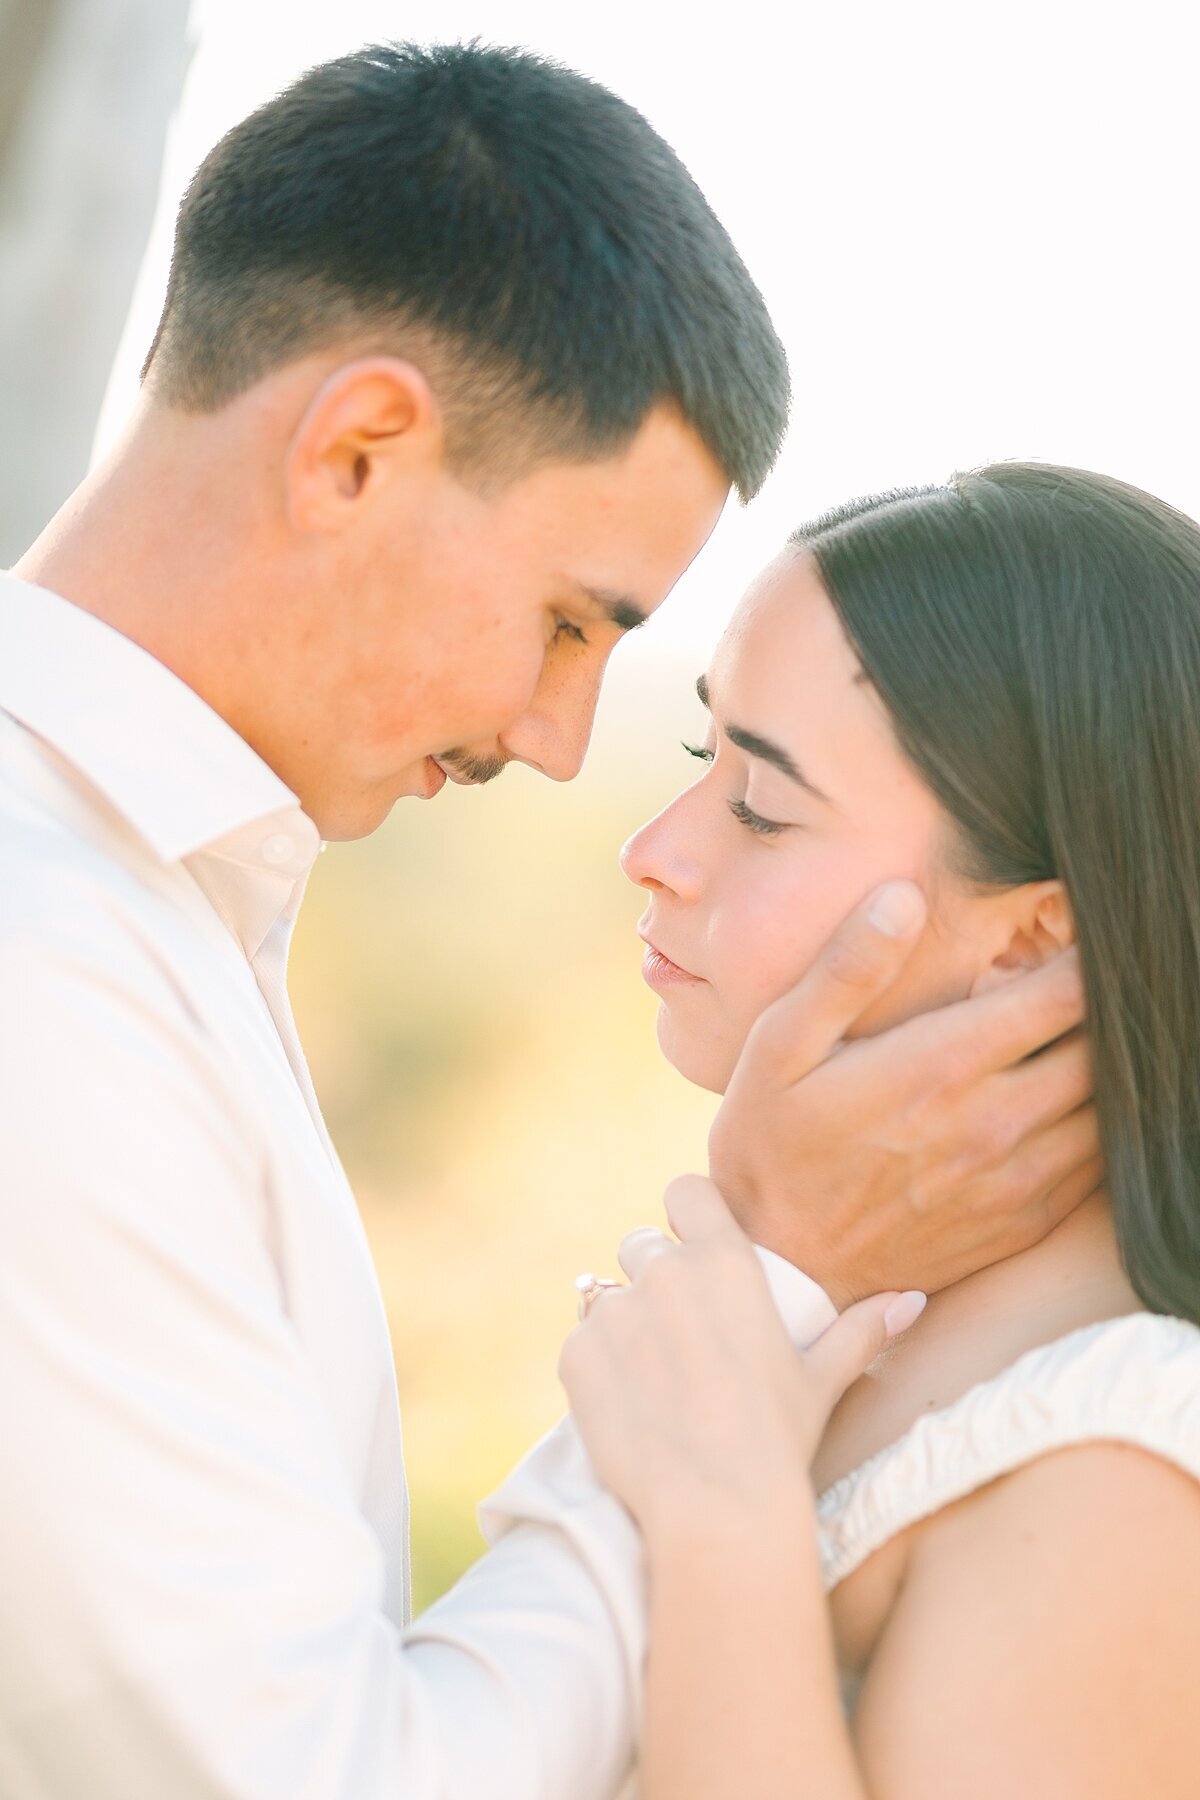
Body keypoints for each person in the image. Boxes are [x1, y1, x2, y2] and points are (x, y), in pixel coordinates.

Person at [0, 41, 1091, 1800]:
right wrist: (769, 1281)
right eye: (573, 624)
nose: (557, 740)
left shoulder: (150, 909)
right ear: (355, 451)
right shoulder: (42, 983)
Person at [562, 462, 1200, 1799]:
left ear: (1035, 937)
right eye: (702, 755)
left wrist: (723, 1511)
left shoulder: (1126, 1464)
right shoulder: (862, 1308)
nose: (657, 850)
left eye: (760, 808)